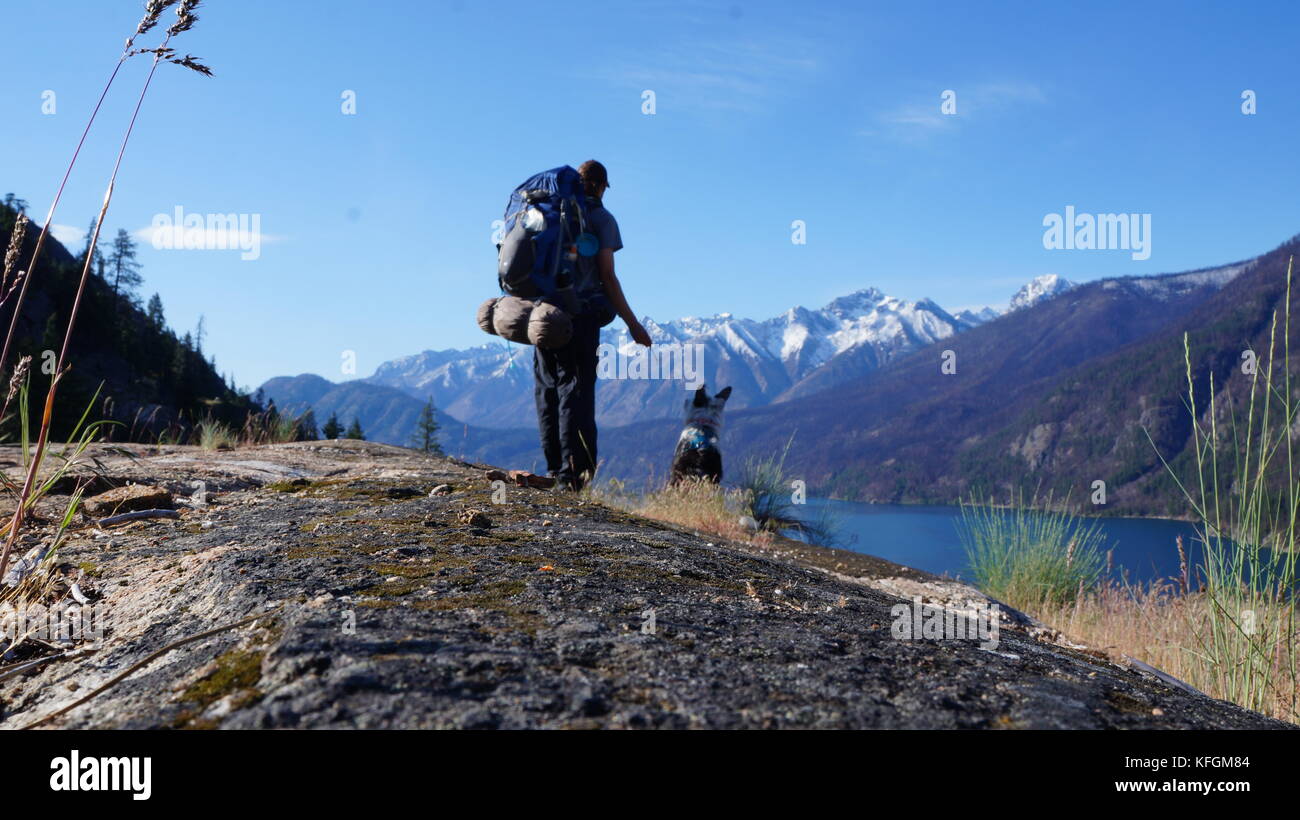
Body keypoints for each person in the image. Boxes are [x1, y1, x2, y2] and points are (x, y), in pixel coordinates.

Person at [532, 160, 652, 490]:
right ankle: (574, 475)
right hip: (579, 316)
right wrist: (632, 323)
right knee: (576, 391)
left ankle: (555, 468)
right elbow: (608, 277)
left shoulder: (548, 214)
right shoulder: (600, 219)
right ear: (600, 186)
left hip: (541, 316)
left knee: (548, 391)